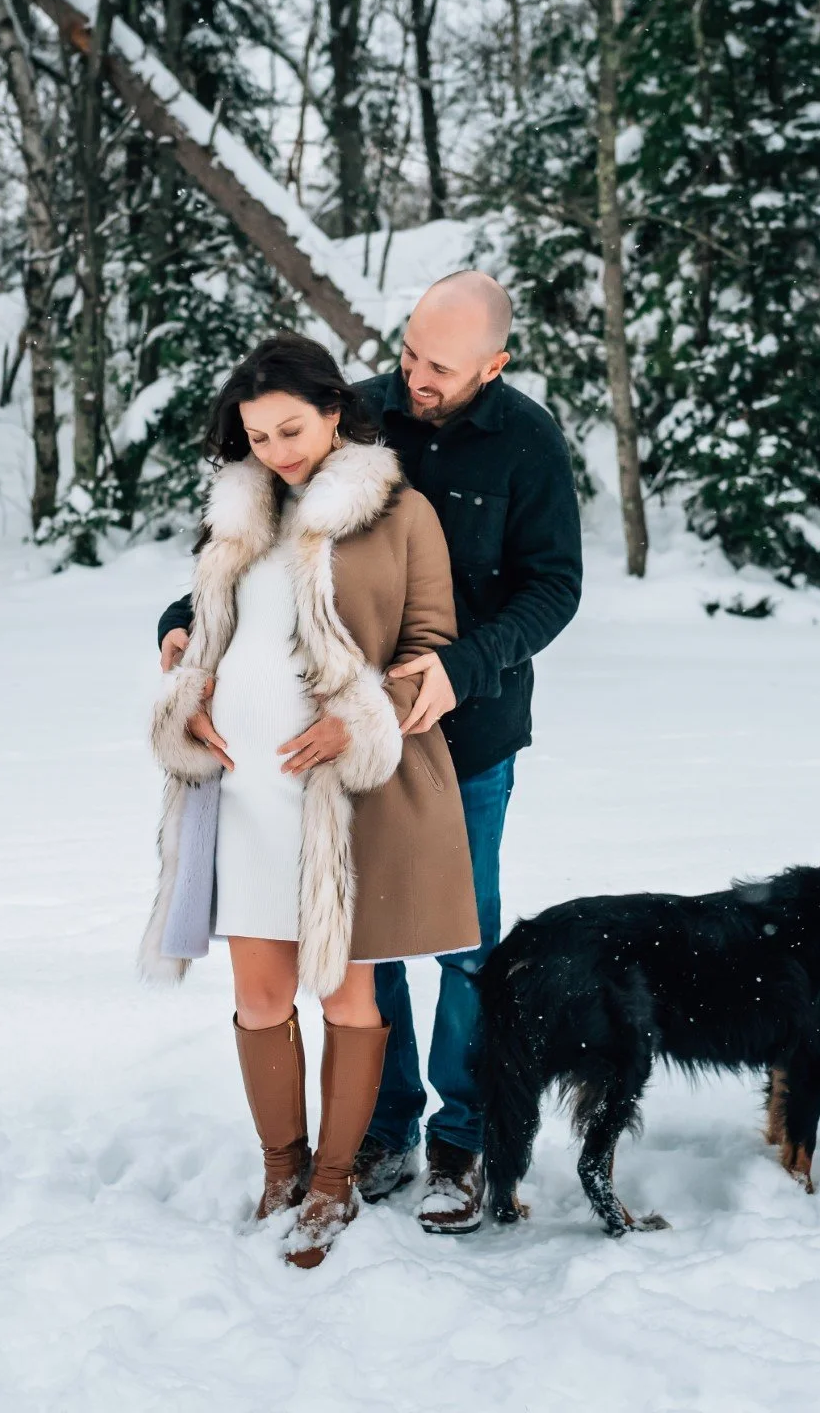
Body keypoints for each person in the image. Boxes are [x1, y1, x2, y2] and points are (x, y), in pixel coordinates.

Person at [160, 272, 583, 1235]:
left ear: (493, 364)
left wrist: (461, 666)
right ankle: (381, 1133)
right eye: (407, 355)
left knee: (465, 950)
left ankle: (461, 1144)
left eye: (439, 366)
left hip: (461, 732)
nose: (414, 376)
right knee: (366, 945)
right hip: (330, 749)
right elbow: (255, 552)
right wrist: (179, 627)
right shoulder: (356, 418)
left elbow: (552, 587)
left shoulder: (525, 442)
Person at [144, 332, 479, 1269]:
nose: (278, 450)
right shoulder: (237, 518)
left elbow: (430, 650)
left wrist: (360, 721)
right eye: (257, 437)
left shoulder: (398, 512)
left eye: (291, 428)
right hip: (242, 787)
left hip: (338, 792)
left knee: (345, 989)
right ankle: (281, 1167)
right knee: (258, 995)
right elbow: (206, 630)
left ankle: (335, 1179)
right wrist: (188, 688)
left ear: (334, 412)